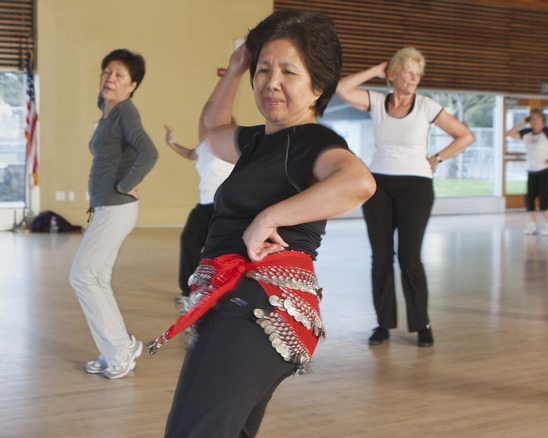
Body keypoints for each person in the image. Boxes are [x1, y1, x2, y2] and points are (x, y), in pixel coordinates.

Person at [161, 10, 375, 437]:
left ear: (317, 88)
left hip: (259, 306)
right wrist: (238, 67)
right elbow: (212, 130)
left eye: (288, 72)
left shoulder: (315, 142)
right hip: (231, 301)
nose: (271, 82)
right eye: (264, 69)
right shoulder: (260, 140)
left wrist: (270, 217)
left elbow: (359, 182)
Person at [336, 47, 474, 347]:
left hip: (416, 185)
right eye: (409, 72)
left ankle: (421, 324)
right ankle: (383, 324)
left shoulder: (425, 106)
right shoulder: (375, 101)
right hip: (379, 186)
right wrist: (376, 70)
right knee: (381, 259)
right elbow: (342, 89)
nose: (415, 78)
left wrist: (437, 158)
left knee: (410, 258)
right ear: (394, 74)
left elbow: (465, 135)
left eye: (418, 73)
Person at [70, 48, 158, 379]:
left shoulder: (125, 112)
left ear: (133, 85)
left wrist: (126, 184)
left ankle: (120, 353)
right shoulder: (108, 109)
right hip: (107, 208)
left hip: (116, 208)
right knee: (98, 279)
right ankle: (119, 348)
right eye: (107, 71)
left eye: (120, 75)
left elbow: (149, 152)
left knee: (81, 276)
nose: (110, 78)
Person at [163, 125, 234, 303]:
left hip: (223, 204)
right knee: (189, 240)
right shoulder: (204, 145)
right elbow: (191, 154)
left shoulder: (230, 144)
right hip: (204, 204)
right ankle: (189, 291)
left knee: (217, 248)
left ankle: (222, 290)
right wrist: (172, 144)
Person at [505, 108, 548, 236]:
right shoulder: (527, 133)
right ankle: (532, 224)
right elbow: (509, 134)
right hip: (532, 169)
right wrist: (523, 122)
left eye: (537, 118)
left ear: (542, 120)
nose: (535, 121)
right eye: (533, 119)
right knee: (530, 197)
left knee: (544, 196)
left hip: (545, 169)